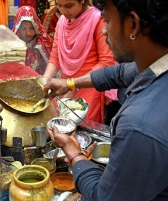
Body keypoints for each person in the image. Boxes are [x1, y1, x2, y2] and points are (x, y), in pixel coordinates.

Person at [44, 0, 168, 200]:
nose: (104, 32)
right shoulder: (155, 64)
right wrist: (69, 84)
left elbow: (103, 197)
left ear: (133, 25)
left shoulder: (139, 125)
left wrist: (74, 152)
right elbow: (117, 73)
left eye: (108, 21)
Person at [42, 0, 115, 124]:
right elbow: (55, 57)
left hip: (89, 87)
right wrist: (44, 81)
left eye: (69, 6)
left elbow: (106, 62)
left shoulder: (98, 20)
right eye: (59, 6)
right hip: (63, 88)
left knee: (83, 135)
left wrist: (72, 86)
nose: (63, 11)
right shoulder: (62, 22)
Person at [12, 6, 53, 75]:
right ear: (18, 28)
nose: (28, 33)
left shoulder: (43, 42)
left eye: (32, 28)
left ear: (36, 26)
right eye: (23, 28)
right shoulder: (12, 45)